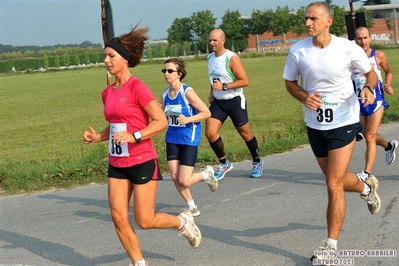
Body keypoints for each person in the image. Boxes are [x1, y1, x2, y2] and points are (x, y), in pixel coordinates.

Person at [83, 26, 201, 266]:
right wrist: (98, 137)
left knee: (144, 220)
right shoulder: (107, 93)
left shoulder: (137, 87)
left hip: (142, 160)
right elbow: (116, 126)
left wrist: (135, 136)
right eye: (105, 56)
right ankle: (139, 263)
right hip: (117, 163)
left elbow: (161, 121)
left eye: (111, 56)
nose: (106, 60)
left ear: (125, 59)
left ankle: (182, 222)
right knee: (118, 217)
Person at [282, 2, 381, 263]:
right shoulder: (297, 51)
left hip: (344, 121)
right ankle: (365, 187)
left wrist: (369, 89)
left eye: (313, 18)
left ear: (328, 21)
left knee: (333, 183)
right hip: (315, 125)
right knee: (333, 177)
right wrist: (304, 97)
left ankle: (330, 246)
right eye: (306, 18)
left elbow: (370, 73)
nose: (307, 23)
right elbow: (289, 83)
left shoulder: (347, 48)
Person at [160, 58, 218, 217]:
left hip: (188, 138)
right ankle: (192, 207)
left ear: (179, 74)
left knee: (184, 180)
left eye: (170, 71)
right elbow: (161, 115)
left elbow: (206, 113)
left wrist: (188, 119)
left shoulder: (187, 92)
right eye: (164, 71)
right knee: (174, 177)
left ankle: (206, 174)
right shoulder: (165, 94)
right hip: (172, 137)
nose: (166, 73)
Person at [206, 28, 264, 180]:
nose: (212, 42)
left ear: (222, 41)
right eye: (210, 40)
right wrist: (212, 92)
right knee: (210, 132)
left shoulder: (231, 59)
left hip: (235, 101)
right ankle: (224, 163)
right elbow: (214, 78)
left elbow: (244, 81)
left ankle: (257, 161)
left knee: (245, 133)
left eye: (215, 40)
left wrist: (224, 86)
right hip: (219, 102)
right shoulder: (210, 58)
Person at [352, 26, 397, 181]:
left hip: (376, 101)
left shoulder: (378, 55)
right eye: (359, 38)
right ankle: (389, 146)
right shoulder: (350, 58)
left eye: (365, 38)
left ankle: (366, 173)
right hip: (358, 103)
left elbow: (388, 71)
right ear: (355, 40)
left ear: (370, 38)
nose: (363, 41)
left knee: (370, 136)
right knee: (367, 135)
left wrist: (388, 84)